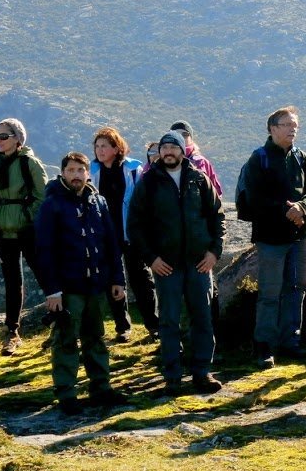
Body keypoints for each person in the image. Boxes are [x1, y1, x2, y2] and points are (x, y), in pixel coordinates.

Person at [128, 131, 226, 396]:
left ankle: (202, 372)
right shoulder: (149, 183)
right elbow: (135, 226)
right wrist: (152, 259)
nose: (168, 151)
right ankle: (172, 376)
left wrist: (214, 253)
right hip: (166, 266)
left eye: (174, 147)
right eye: (164, 147)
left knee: (202, 318)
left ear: (183, 151)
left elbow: (218, 217)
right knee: (169, 321)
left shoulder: (198, 179)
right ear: (159, 152)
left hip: (199, 263)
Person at [34, 152, 128, 414]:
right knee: (65, 340)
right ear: (63, 173)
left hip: (97, 285)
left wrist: (117, 279)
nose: (76, 175)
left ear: (88, 173)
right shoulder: (52, 205)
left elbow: (112, 244)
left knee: (96, 338)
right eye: (71, 170)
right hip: (68, 289)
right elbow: (44, 251)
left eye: (80, 170)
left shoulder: (98, 202)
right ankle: (67, 394)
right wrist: (52, 291)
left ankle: (101, 388)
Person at [245, 106, 306, 368]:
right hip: (271, 238)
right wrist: (286, 210)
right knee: (270, 291)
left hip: (299, 235)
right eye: (287, 124)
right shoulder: (260, 159)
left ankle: (291, 341)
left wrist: (302, 209)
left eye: (295, 125)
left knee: (297, 287)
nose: (293, 129)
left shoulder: (301, 157)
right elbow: (253, 197)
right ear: (272, 128)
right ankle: (264, 345)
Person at [0, 117, 49, 356]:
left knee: (43, 273)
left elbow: (42, 196)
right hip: (4, 231)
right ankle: (12, 332)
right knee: (12, 281)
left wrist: (26, 217)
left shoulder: (30, 163)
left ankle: (60, 322)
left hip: (26, 230)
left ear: (17, 138)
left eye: (4, 136)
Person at [90, 126, 159, 342]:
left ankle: (153, 324)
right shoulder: (91, 171)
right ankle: (122, 327)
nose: (100, 150)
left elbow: (144, 199)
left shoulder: (133, 169)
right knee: (113, 280)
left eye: (105, 146)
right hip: (105, 234)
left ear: (116, 147)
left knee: (141, 278)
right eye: (97, 146)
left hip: (131, 232)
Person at [169, 120, 224, 331]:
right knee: (177, 293)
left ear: (191, 137)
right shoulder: (159, 164)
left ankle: (210, 335)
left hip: (201, 239)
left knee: (207, 289)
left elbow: (216, 196)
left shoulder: (202, 163)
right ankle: (182, 336)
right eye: (175, 135)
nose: (180, 137)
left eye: (184, 134)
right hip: (173, 244)